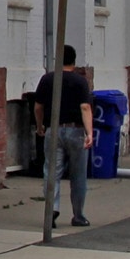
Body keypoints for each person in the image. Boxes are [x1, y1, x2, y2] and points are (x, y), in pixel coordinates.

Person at [33, 44, 95, 227]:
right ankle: (78, 215)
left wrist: (40, 126)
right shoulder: (80, 82)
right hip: (76, 130)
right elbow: (85, 107)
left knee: (51, 172)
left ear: (57, 60)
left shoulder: (47, 79)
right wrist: (89, 132)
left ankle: (52, 209)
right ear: (74, 62)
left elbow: (38, 106)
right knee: (78, 175)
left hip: (54, 129)